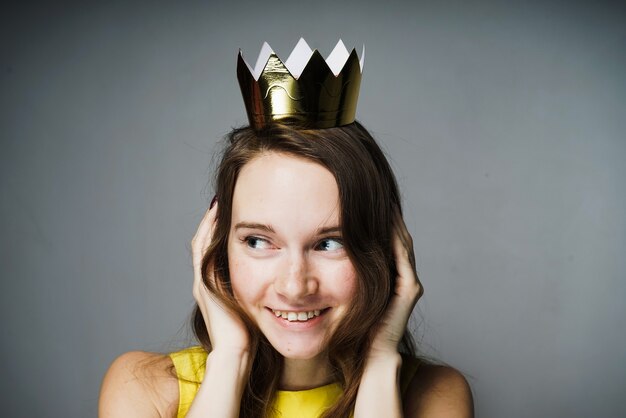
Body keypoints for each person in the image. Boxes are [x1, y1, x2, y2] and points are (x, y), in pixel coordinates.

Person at [99, 40, 473, 418]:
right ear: (217, 246)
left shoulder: (434, 397)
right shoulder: (143, 388)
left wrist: (379, 363)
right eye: (259, 241)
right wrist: (230, 359)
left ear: (384, 250)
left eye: (329, 243)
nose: (295, 287)